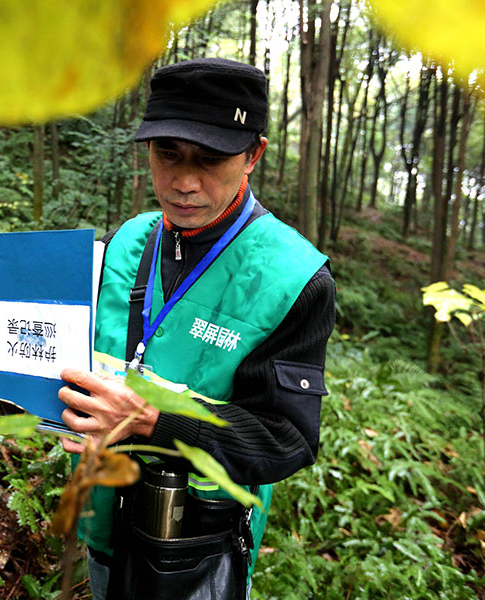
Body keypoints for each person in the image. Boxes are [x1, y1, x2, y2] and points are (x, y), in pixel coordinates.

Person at [57, 58, 335, 599]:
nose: (184, 182)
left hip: (194, 552)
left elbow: (288, 440)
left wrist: (151, 421)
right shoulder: (128, 242)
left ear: (253, 153)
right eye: (168, 154)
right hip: (101, 525)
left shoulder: (294, 278)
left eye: (210, 159)